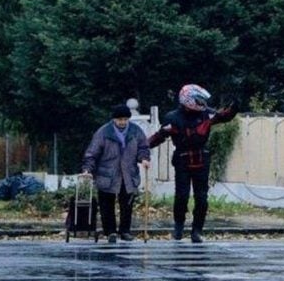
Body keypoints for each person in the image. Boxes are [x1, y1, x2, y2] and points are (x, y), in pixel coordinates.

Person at [149, 84, 237, 243]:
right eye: (199, 100)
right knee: (181, 196)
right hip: (182, 158)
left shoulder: (206, 114)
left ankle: (197, 231)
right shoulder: (172, 117)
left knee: (202, 198)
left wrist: (236, 105)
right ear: (188, 99)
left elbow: (224, 116)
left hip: (201, 157)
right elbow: (159, 136)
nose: (202, 103)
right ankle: (178, 227)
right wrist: (142, 148)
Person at [82, 104, 151, 243]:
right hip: (107, 174)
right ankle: (110, 231)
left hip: (128, 174)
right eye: (120, 120)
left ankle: (125, 231)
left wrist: (144, 158)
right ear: (114, 119)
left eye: (125, 119)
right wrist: (87, 169)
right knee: (106, 204)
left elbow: (143, 147)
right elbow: (92, 153)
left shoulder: (135, 131)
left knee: (127, 204)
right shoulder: (103, 132)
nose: (122, 122)